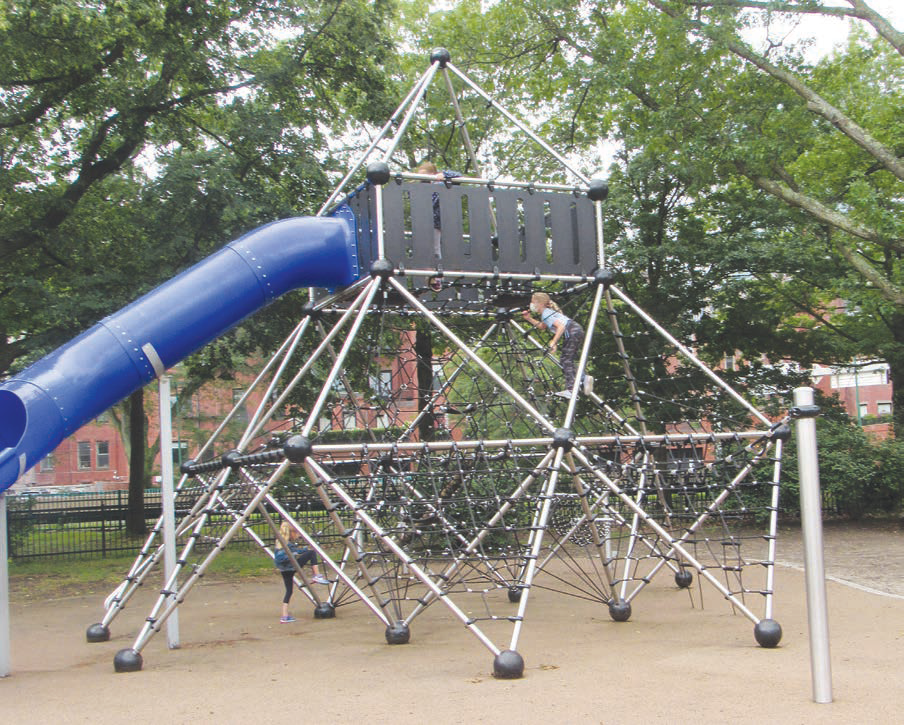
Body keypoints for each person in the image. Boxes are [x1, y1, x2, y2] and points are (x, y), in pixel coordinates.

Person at [521, 292, 593, 398]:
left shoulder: (546, 313)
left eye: (532, 302)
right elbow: (542, 326)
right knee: (567, 359)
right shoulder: (547, 313)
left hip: (571, 331)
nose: (530, 304)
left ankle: (572, 389)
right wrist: (528, 318)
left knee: (566, 360)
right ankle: (583, 378)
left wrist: (553, 342)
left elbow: (561, 327)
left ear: (539, 303)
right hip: (576, 330)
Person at [415, 161, 461, 291]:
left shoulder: (439, 185)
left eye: (425, 176)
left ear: (433, 175)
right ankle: (431, 274)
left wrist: (444, 175)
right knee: (426, 249)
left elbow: (458, 176)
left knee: (436, 249)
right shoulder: (421, 189)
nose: (423, 180)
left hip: (438, 221)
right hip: (425, 222)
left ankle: (437, 277)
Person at [275, 519, 329, 623]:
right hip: (291, 567)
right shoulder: (285, 545)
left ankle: (284, 615)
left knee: (289, 591)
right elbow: (280, 558)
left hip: (285, 570)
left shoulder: (280, 543)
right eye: (297, 533)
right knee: (312, 553)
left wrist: (303, 549)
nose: (298, 535)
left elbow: (295, 551)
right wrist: (295, 555)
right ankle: (317, 575)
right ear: (291, 532)